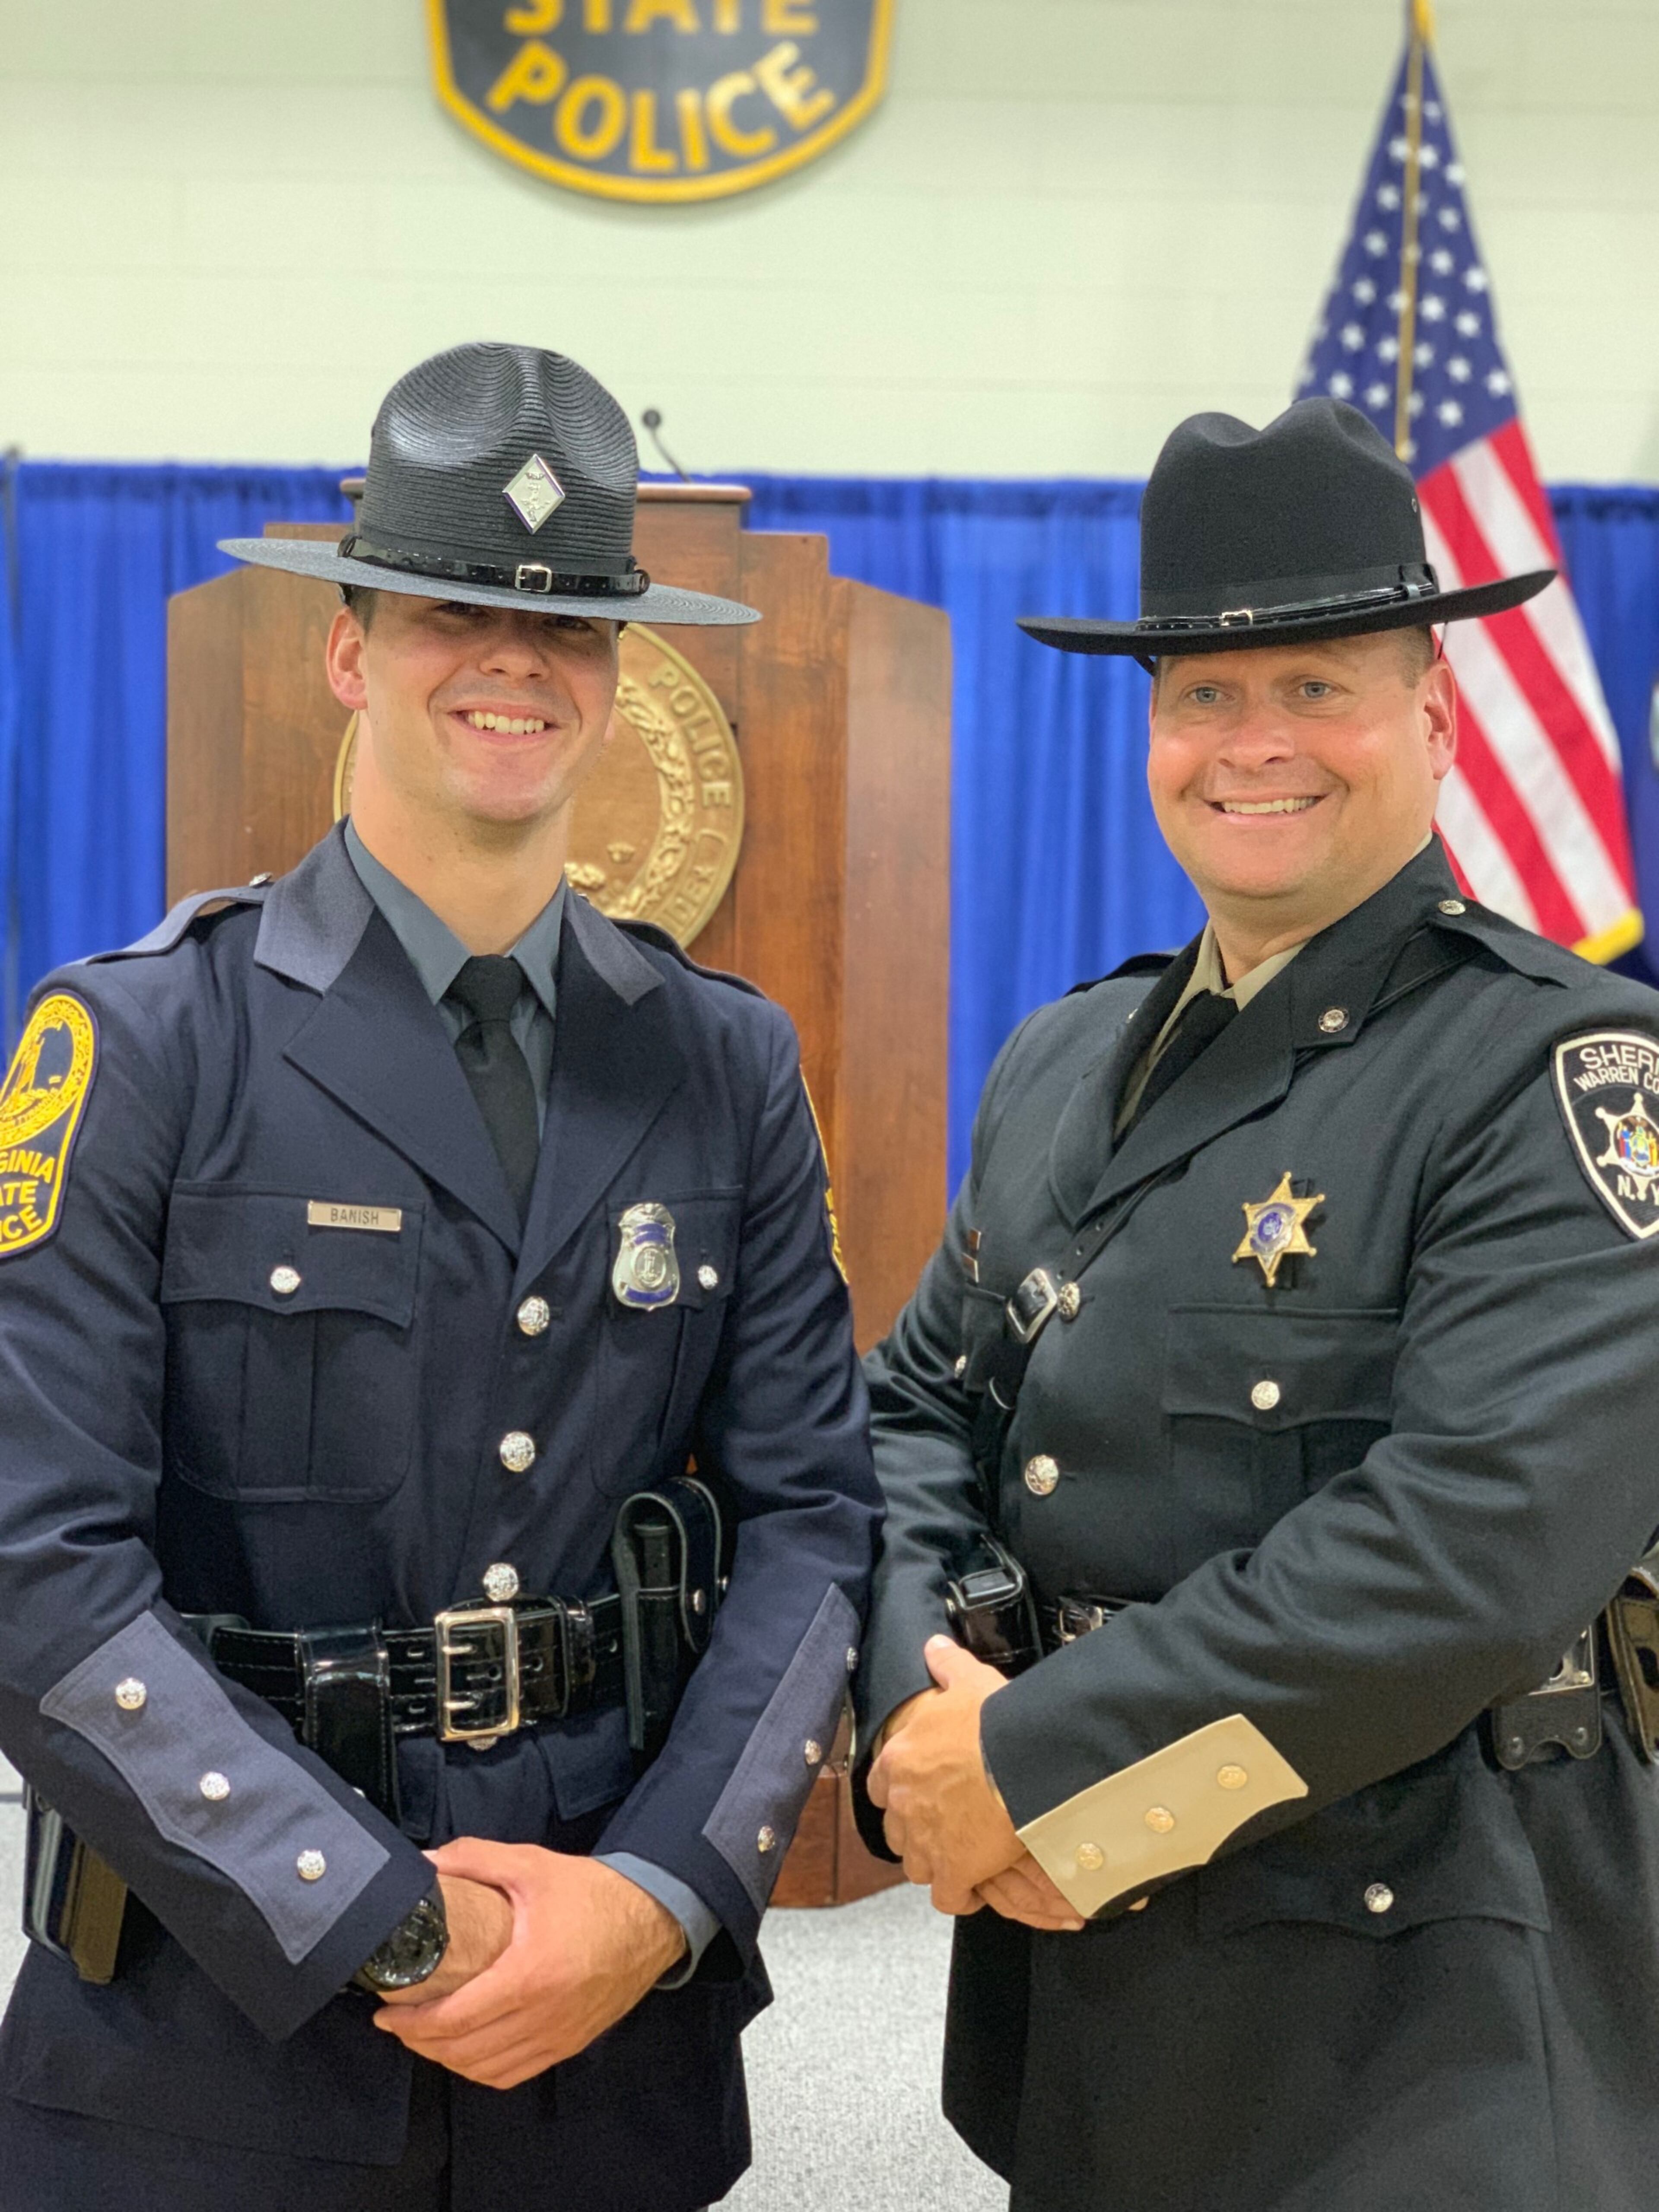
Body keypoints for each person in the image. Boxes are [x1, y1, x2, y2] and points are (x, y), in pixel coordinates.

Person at [0, 340, 880, 2212]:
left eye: (572, 627)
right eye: (457, 612)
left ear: (623, 669)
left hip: (607, 2031)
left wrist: (656, 1902)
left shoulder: (724, 1062)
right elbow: (34, 1561)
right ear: (349, 643)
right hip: (214, 2027)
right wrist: (385, 1924)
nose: (519, 662)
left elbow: (814, 1522)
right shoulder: (149, 1040)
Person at [855, 397, 1659, 2212]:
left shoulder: (1562, 1068)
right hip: (1088, 1972)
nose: (1252, 742)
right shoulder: (1067, 1059)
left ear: (1439, 718)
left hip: (1406, 1988)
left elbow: (1471, 1551)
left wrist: (1049, 1771)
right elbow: (916, 1405)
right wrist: (930, 1706)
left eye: (1319, 686)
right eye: (1204, 694)